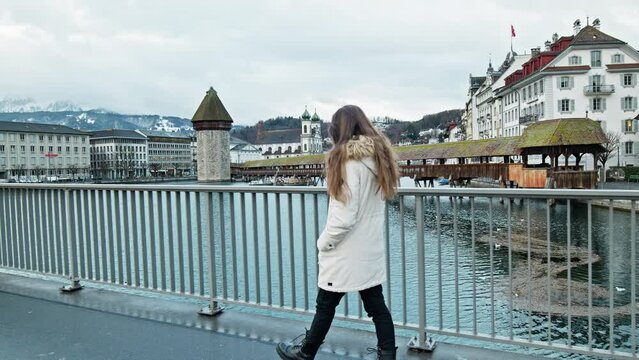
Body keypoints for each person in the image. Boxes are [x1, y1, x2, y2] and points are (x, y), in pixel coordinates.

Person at [276, 105, 400, 360]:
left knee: (326, 304)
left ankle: (306, 352)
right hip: (368, 247)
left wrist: (324, 243)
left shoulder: (348, 161)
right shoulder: (379, 158)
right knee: (376, 306)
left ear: (339, 129)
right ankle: (387, 355)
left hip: (345, 250)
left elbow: (344, 217)